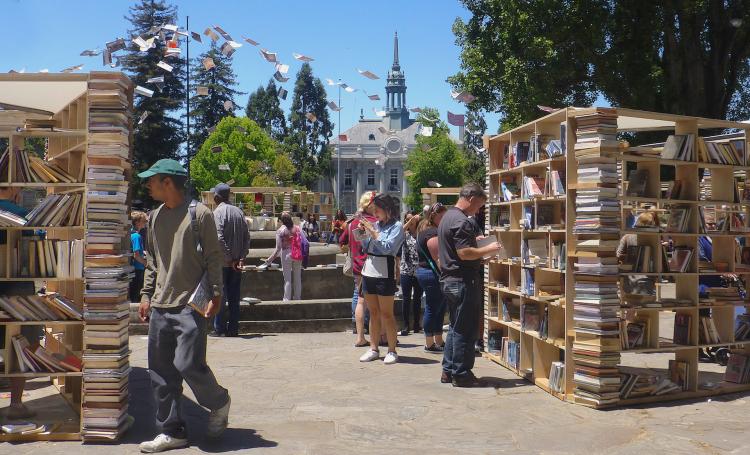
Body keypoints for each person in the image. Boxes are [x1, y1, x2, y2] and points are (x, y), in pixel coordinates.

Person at [137, 159, 230, 453]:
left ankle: (219, 402)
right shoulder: (154, 217)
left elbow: (214, 256)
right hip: (160, 305)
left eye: (152, 180)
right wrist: (145, 294)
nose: (147, 185)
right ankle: (172, 430)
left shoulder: (200, 214)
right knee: (161, 374)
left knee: (189, 364)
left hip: (191, 304)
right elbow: (153, 260)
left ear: (168, 183)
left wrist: (216, 293)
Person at [438, 183, 502, 387]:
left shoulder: (447, 217)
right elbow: (464, 253)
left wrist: (477, 246)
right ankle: (461, 373)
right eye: (479, 206)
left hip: (449, 279)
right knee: (465, 328)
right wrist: (488, 249)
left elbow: (457, 250)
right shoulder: (462, 221)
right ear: (472, 199)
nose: (478, 211)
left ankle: (448, 370)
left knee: (456, 326)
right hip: (463, 281)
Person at [0, 188, 41, 420]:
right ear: (15, 189)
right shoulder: (24, 214)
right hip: (19, 283)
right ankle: (16, 402)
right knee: (20, 342)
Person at [357, 194, 405, 365]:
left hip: (385, 270)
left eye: (377, 210)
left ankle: (392, 350)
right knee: (373, 313)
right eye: (373, 210)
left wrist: (373, 233)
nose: (375, 213)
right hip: (369, 270)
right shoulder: (376, 225)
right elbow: (364, 247)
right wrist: (362, 233)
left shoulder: (397, 227)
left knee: (387, 313)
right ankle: (373, 348)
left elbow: (388, 248)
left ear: (388, 209)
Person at [211, 183, 251, 338]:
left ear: (216, 197)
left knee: (220, 295)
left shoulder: (218, 212)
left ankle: (219, 328)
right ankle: (233, 328)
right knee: (234, 297)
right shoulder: (239, 212)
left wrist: (229, 258)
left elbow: (219, 238)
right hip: (237, 264)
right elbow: (247, 238)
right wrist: (241, 258)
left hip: (223, 263)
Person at [340, 193, 377, 347]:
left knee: (359, 299)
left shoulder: (352, 222)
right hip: (372, 266)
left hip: (357, 265)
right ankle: (380, 335)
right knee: (376, 302)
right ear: (370, 205)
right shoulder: (375, 221)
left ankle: (360, 335)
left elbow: (342, 243)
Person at [417, 202, 448, 352]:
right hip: (431, 273)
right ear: (434, 216)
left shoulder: (427, 230)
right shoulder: (432, 233)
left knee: (439, 307)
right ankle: (429, 343)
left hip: (428, 273)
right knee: (432, 307)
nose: (444, 219)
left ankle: (438, 340)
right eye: (442, 216)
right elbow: (437, 258)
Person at [264, 212, 305, 301]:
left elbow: (278, 249)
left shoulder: (280, 231)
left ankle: (286, 299)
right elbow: (304, 242)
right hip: (297, 254)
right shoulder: (298, 228)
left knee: (287, 279)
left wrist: (269, 260)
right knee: (297, 278)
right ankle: (297, 299)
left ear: (282, 221)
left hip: (286, 254)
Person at [399, 211, 422, 336]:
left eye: (413, 219)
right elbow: (399, 231)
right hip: (406, 270)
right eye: (408, 219)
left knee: (417, 298)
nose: (411, 221)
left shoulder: (420, 233)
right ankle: (406, 325)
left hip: (418, 270)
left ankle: (417, 324)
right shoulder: (404, 234)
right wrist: (409, 222)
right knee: (406, 298)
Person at [130, 211, 148, 303]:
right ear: (137, 222)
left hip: (133, 269)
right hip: (138, 269)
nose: (145, 223)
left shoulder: (131, 234)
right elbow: (136, 255)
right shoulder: (137, 236)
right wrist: (146, 264)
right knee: (136, 294)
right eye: (144, 221)